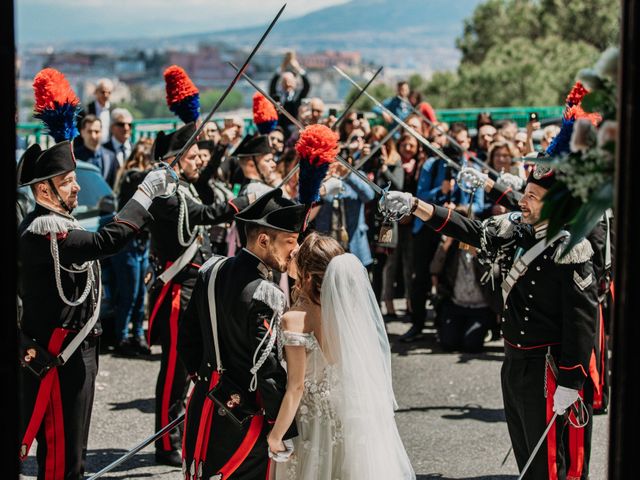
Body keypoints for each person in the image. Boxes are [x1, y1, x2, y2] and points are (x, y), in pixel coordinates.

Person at [380, 164, 598, 479]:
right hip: (514, 359)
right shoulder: (517, 230)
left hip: (546, 369)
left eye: (533, 196)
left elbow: (582, 321)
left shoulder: (571, 248)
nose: (524, 201)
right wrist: (417, 206)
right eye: (525, 193)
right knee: (526, 450)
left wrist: (571, 381)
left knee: (549, 461)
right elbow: (467, 229)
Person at [17, 139, 175, 479]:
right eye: (67, 182)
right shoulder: (43, 231)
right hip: (60, 355)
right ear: (44, 191)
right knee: (62, 453)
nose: (77, 188)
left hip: (76, 353)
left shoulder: (59, 224)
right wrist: (143, 194)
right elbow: (106, 242)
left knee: (74, 448)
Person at [178, 188, 307, 479]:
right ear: (264, 240)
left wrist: (205, 377)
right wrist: (280, 425)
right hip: (244, 416)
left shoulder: (211, 268)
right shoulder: (266, 294)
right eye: (289, 241)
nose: (295, 249)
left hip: (204, 402)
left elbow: (187, 338)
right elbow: (268, 370)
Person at [269, 233, 415, 479]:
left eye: (297, 254)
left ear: (306, 275)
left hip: (310, 425)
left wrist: (276, 436)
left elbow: (296, 388)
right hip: (346, 419)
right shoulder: (349, 314)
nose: (292, 253)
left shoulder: (293, 320)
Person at [145, 122, 249, 466]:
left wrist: (220, 149)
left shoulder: (186, 187)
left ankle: (182, 430)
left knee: (194, 366)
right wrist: (239, 204)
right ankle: (164, 443)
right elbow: (201, 215)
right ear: (173, 161)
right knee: (174, 369)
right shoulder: (165, 195)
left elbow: (202, 192)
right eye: (191, 156)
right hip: (178, 289)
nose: (198, 161)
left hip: (194, 286)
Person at [110, 139, 154, 356]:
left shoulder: (136, 177)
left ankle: (137, 335)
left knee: (139, 294)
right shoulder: (131, 177)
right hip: (128, 244)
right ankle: (122, 338)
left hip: (140, 243)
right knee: (129, 294)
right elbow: (140, 179)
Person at [74, 114, 119, 187]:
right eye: (89, 131)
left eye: (96, 131)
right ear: (82, 132)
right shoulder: (74, 156)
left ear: (101, 132)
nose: (93, 136)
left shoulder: (111, 157)